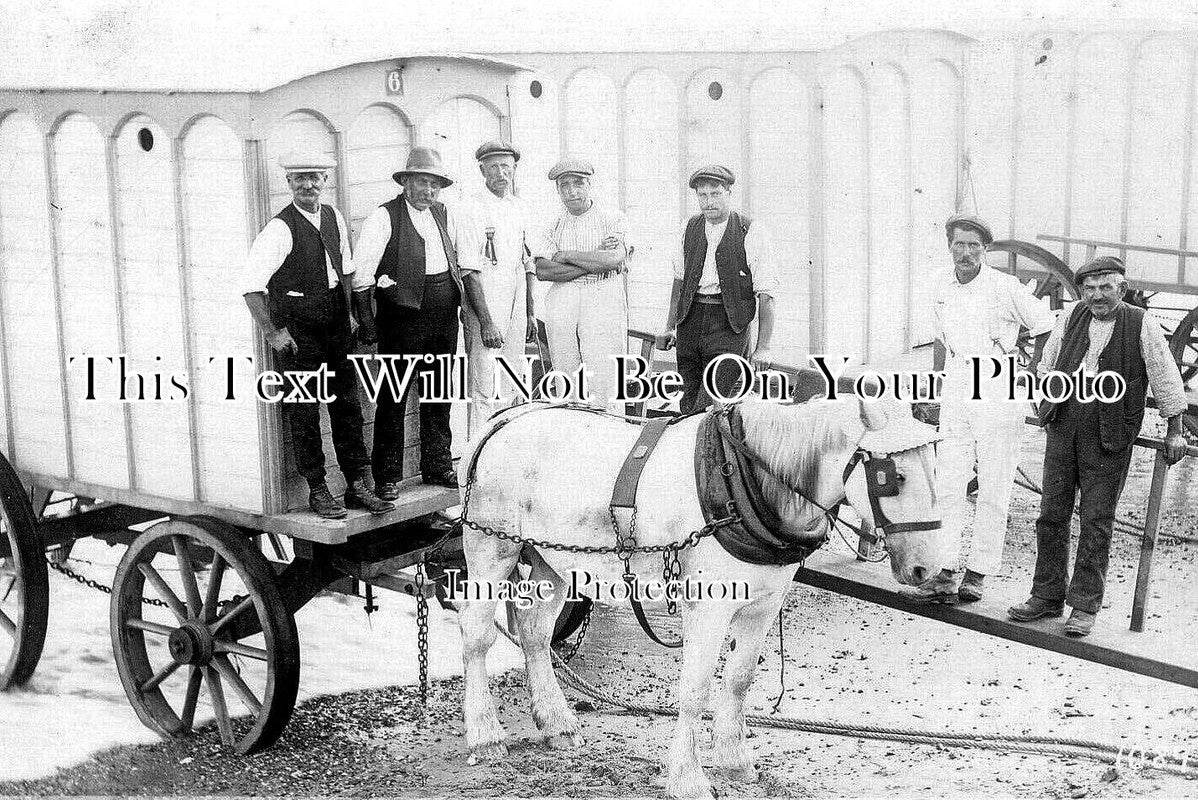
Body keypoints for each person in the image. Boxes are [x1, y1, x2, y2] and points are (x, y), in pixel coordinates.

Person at [1008, 255, 1188, 636]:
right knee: (1051, 514)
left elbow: (1165, 375)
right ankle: (1046, 595)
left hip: (1108, 434)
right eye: (1089, 288)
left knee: (1096, 520)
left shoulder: (1141, 324)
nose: (1097, 296)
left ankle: (1084, 606)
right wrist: (1047, 402)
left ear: (1121, 289)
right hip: (1063, 424)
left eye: (1106, 287)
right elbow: (1047, 365)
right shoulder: (1071, 317)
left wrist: (1175, 428)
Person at [241, 150, 392, 519]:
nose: (309, 184)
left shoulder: (335, 217)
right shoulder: (280, 228)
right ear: (289, 184)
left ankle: (358, 485)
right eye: (300, 178)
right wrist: (272, 332)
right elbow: (250, 286)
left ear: (326, 181)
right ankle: (318, 490)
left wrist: (353, 317)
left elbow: (347, 269)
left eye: (315, 177)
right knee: (305, 411)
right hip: (299, 332)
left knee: (347, 406)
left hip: (336, 324)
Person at [915, 213, 1056, 602]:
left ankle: (978, 571)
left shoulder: (1004, 286)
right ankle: (944, 570)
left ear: (985, 249)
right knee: (949, 481)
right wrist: (937, 384)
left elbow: (1046, 326)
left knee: (994, 481)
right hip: (958, 381)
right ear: (949, 246)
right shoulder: (939, 284)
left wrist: (1031, 371)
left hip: (997, 378)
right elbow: (941, 340)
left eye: (973, 246)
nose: (965, 252)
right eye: (959, 244)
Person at [352, 147, 483, 498]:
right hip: (402, 319)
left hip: (443, 317)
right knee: (393, 397)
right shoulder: (384, 217)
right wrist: (367, 324)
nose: (429, 191)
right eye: (423, 183)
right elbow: (362, 277)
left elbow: (461, 263)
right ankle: (387, 476)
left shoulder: (444, 214)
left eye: (435, 185)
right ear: (406, 182)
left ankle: (438, 465)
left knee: (439, 394)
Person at [656, 165, 778, 413]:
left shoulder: (751, 231)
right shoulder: (688, 227)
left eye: (715, 194)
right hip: (690, 321)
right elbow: (679, 281)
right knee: (688, 402)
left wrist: (763, 347)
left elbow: (766, 295)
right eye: (702, 195)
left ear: (729, 192)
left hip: (728, 325)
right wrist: (669, 326)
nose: (708, 202)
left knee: (713, 405)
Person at [532, 157, 631, 408]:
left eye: (578, 184)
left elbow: (613, 259)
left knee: (604, 370)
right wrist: (593, 256)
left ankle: (609, 428)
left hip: (602, 292)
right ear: (558, 190)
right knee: (565, 369)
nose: (572, 191)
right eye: (564, 185)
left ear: (589, 185)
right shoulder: (552, 222)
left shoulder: (611, 217)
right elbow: (543, 270)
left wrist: (566, 256)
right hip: (563, 296)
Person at [461, 139, 537, 436]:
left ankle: (505, 448)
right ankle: (477, 458)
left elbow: (527, 262)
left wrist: (530, 312)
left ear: (514, 169)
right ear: (482, 170)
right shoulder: (471, 207)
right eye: (493, 167)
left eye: (506, 166)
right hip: (487, 302)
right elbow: (468, 270)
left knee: (512, 376)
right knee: (484, 381)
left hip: (516, 301)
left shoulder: (520, 207)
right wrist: (486, 321)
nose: (500, 173)